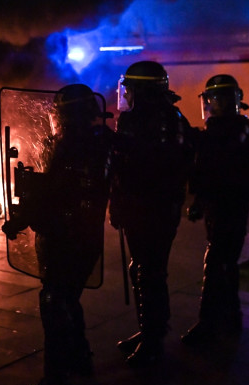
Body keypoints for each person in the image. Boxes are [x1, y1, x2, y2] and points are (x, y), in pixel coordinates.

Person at [2, 84, 113, 385]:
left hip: (62, 238)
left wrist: (20, 220)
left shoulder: (63, 146)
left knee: (54, 302)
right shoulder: (102, 142)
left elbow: (49, 195)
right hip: (87, 237)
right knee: (69, 298)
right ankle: (81, 361)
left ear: (63, 115)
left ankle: (57, 378)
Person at [109, 61, 195, 366]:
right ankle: (151, 329)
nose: (126, 95)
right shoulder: (164, 117)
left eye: (130, 89)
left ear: (141, 91)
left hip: (151, 207)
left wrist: (115, 143)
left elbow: (146, 164)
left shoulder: (151, 120)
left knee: (149, 271)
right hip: (150, 206)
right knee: (144, 269)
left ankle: (154, 341)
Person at [181, 74, 249, 346]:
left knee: (216, 265)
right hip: (232, 207)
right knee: (226, 264)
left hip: (226, 208)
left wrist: (199, 200)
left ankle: (209, 324)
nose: (212, 105)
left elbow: (213, 170)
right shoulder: (240, 127)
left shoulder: (227, 130)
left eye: (214, 100)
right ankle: (231, 318)